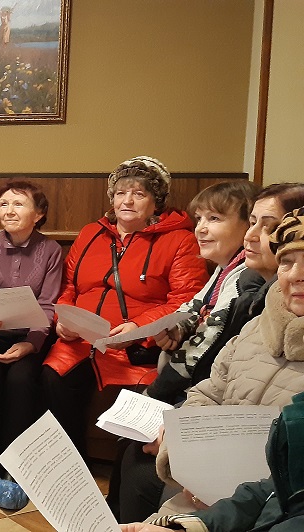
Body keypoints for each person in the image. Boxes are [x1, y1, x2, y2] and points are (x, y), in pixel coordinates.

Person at [114, 183, 304, 522]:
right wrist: (189, 450)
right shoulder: (255, 322)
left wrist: (213, 478)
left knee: (141, 468)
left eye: (267, 226)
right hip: (216, 466)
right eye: (288, 262)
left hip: (262, 501)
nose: (251, 235)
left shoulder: (244, 290)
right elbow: (209, 390)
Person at [43, 156, 206, 460]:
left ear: (156, 202)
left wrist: (138, 328)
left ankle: (124, 476)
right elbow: (68, 287)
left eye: (139, 194)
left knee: (140, 396)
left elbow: (186, 299)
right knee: (53, 377)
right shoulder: (90, 233)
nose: (127, 201)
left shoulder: (180, 240)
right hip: (79, 344)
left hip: (135, 348)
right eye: (120, 193)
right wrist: (62, 318)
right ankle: (69, 466)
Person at [0, 181, 62, 511]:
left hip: (31, 338)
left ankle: (16, 469)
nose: (8, 210)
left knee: (22, 382)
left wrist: (31, 344)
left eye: (18, 204)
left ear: (38, 214)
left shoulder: (51, 250)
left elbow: (49, 304)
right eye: (4, 204)